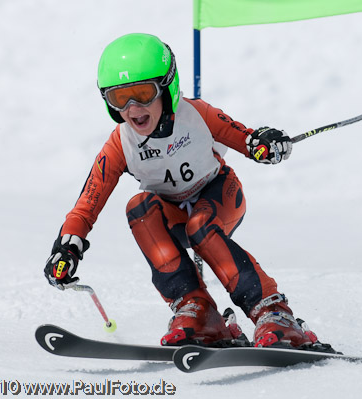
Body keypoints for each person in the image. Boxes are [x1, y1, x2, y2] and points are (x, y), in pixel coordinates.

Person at [44, 33, 326, 350]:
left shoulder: (196, 115)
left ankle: (274, 314)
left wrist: (265, 144)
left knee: (200, 227)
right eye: (119, 98)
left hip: (219, 195)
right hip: (172, 216)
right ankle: (198, 313)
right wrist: (68, 247)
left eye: (142, 93)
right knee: (138, 206)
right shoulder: (120, 144)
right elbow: (86, 206)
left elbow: (247, 140)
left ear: (168, 86)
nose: (132, 108)